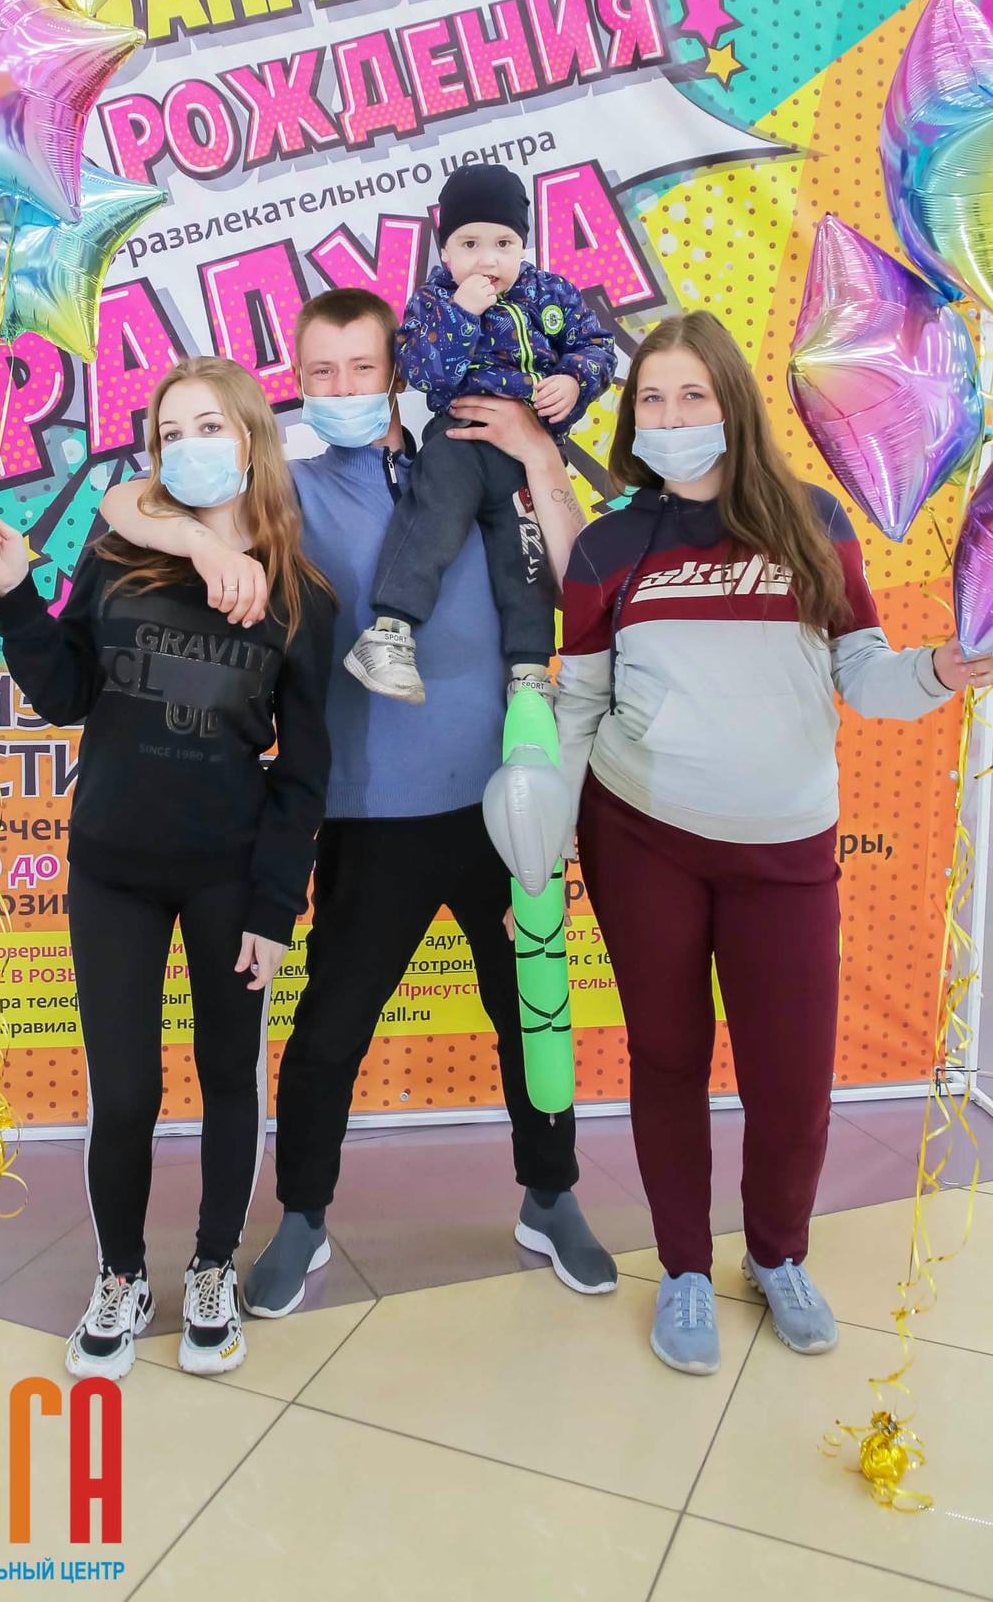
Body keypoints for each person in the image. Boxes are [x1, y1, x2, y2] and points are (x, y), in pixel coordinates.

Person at [101, 290, 618, 1316]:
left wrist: (538, 452)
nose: (341, 388)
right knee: (329, 1035)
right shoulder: (282, 494)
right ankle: (302, 1217)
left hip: (502, 805)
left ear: (399, 371)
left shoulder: (475, 462)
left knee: (531, 1016)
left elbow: (580, 580)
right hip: (367, 812)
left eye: (361, 368)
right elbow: (128, 502)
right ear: (297, 381)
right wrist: (210, 550)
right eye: (320, 372)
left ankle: (549, 1196)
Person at [553, 309, 993, 1375]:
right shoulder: (608, 545)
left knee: (791, 1081)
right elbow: (577, 706)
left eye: (691, 396)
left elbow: (863, 676)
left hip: (786, 844)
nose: (670, 418)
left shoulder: (812, 522)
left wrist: (940, 668)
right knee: (667, 1060)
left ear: (732, 405)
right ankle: (685, 1270)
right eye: (651, 400)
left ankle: (777, 1256)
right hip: (642, 835)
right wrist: (549, 834)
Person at [0, 356, 334, 1383]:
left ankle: (212, 1268)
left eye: (209, 427)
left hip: (230, 877)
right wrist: (15, 592)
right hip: (112, 869)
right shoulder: (120, 549)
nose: (189, 448)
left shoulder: (301, 596)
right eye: (171, 433)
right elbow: (64, 693)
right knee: (124, 1093)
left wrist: (275, 906)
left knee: (229, 1082)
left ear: (251, 438)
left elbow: (305, 773)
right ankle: (121, 1276)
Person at [343, 163, 616, 705]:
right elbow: (423, 371)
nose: (487, 260)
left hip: (526, 453)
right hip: (459, 439)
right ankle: (389, 632)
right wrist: (462, 313)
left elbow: (598, 347)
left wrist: (572, 379)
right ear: (446, 251)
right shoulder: (433, 302)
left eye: (503, 243)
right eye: (469, 244)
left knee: (525, 558)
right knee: (432, 518)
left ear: (523, 246)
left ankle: (530, 672)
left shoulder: (551, 293)